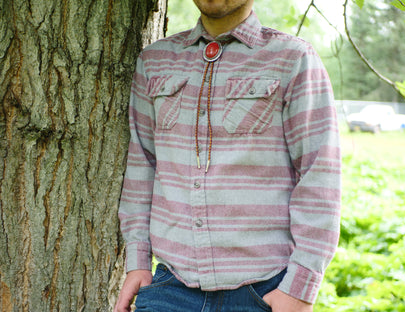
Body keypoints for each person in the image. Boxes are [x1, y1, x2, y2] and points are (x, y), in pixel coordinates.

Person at [114, 0, 341, 311]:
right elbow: (142, 166)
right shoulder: (155, 60)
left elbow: (319, 174)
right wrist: (137, 262)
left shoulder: (293, 58)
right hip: (169, 288)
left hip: (265, 291)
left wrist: (300, 288)